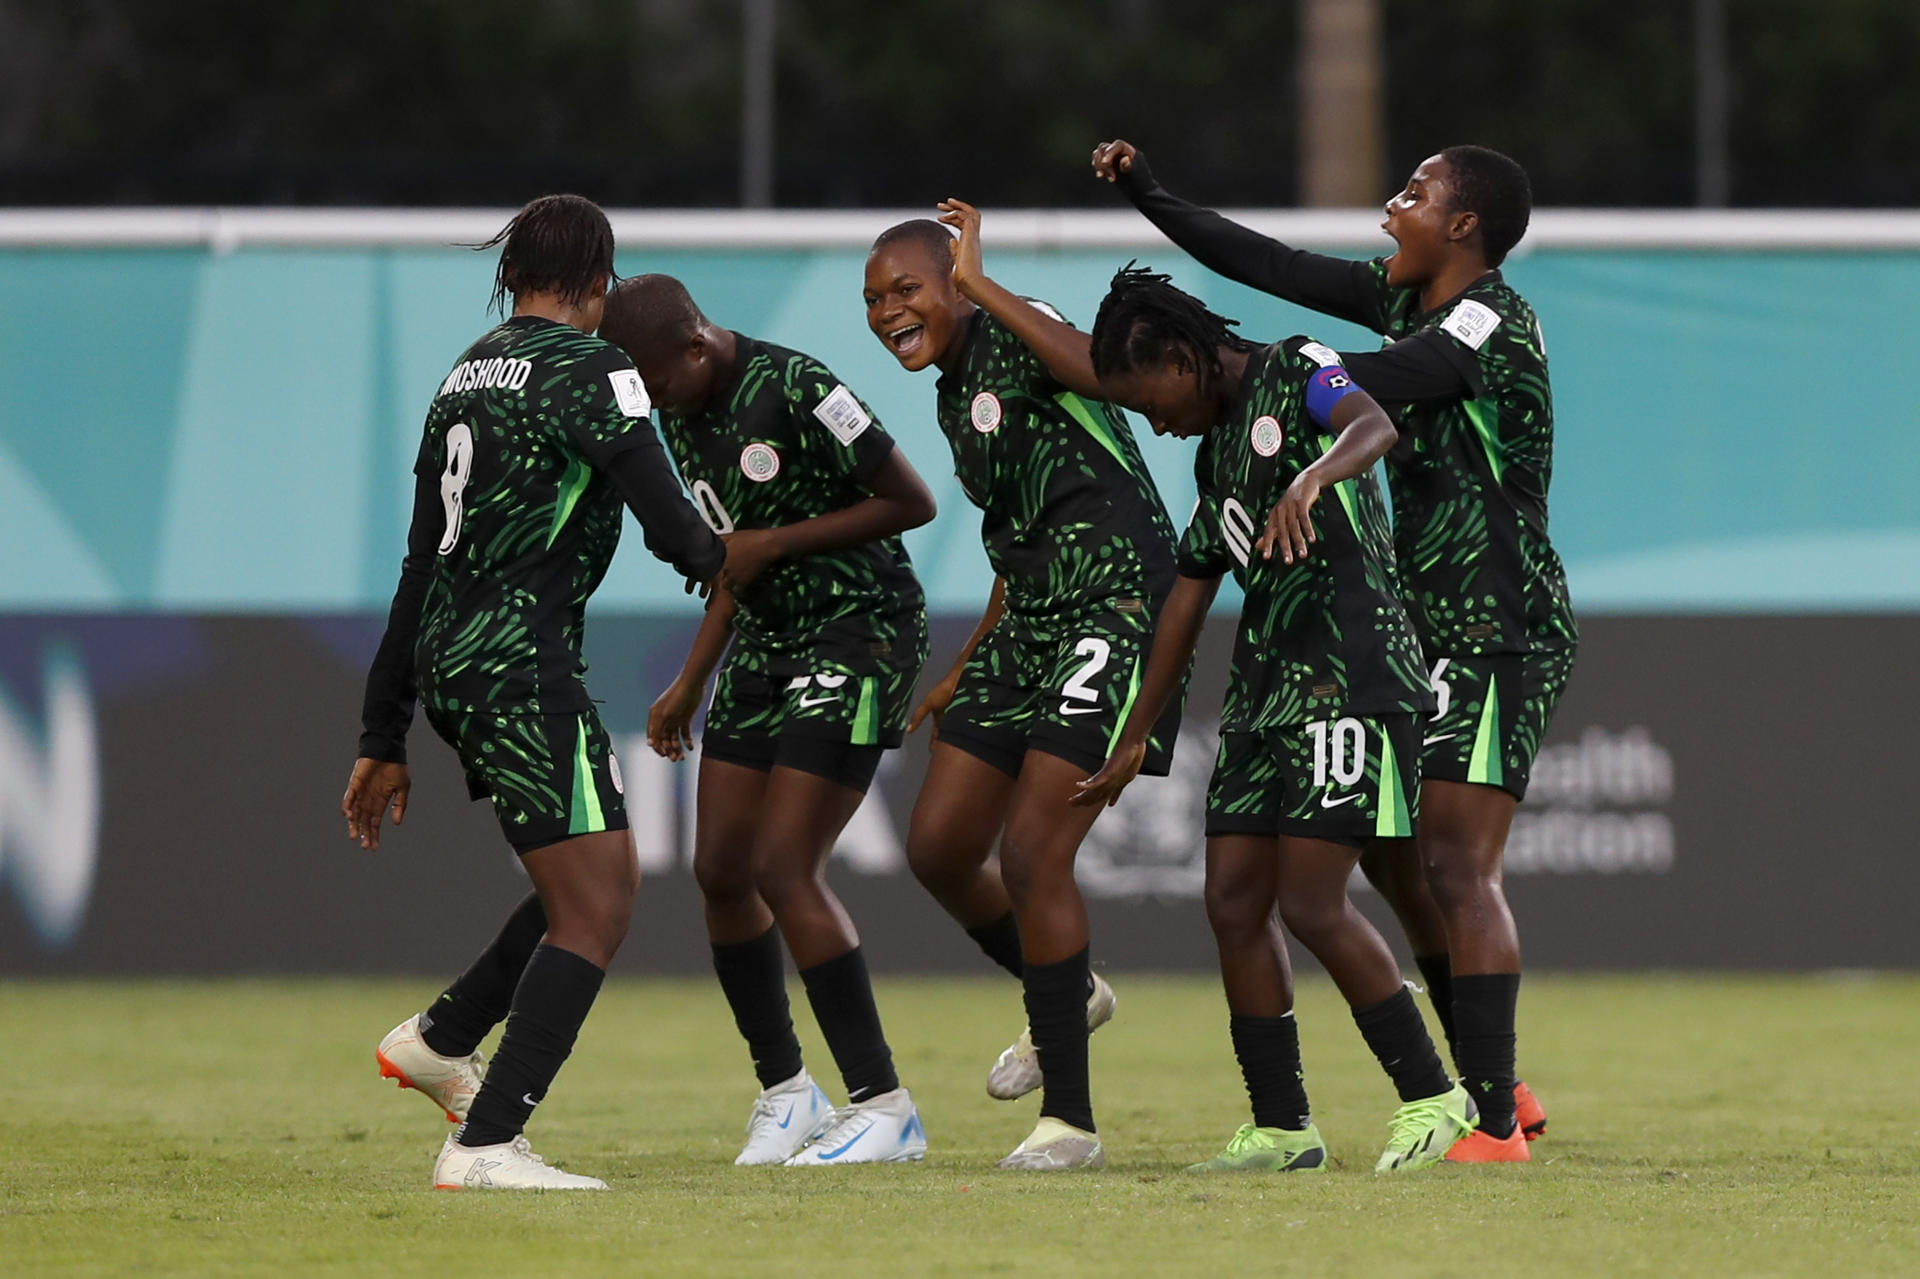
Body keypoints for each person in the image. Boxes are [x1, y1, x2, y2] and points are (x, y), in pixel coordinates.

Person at [1093, 139, 1576, 1160]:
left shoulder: (1490, 314)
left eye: (1411, 194)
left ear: (1463, 228)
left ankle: (1489, 1118)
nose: (1387, 208)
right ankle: (1497, 1087)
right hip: (1423, 620)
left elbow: (1410, 376)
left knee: (1454, 864)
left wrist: (1273, 378)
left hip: (1501, 619)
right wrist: (1150, 195)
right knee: (1403, 867)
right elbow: (1265, 263)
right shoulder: (1402, 299)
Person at [344, 195, 725, 1190]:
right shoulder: (599, 367)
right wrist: (740, 561)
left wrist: (383, 729)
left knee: (589, 887)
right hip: (520, 659)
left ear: (512, 274)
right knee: (599, 905)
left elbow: (419, 562)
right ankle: (483, 1146)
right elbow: (672, 524)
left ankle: (443, 1039)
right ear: (600, 283)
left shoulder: (461, 377)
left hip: (456, 659)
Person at [1072, 266, 1476, 1172]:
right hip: (1266, 691)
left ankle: (1433, 1095)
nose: (1156, 423)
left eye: (1152, 402)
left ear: (1183, 357)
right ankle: (1284, 1126)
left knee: (1311, 902)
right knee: (1232, 900)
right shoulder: (1216, 453)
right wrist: (1139, 724)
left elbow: (1375, 423)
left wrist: (1312, 476)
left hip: (1354, 678)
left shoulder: (1297, 365)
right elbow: (1186, 594)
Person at [862, 204, 1185, 1170]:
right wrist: (969, 657)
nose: (889, 312)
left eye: (908, 288)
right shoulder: (953, 395)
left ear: (954, 282)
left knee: (1036, 848)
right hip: (1034, 616)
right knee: (939, 845)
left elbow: (1107, 375)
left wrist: (982, 286)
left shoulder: (1014, 323)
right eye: (874, 300)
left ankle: (1071, 1124)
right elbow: (1018, 531)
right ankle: (1069, 987)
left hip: (1118, 604)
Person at [597, 274, 937, 1167]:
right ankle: (787, 1090)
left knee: (785, 866)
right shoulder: (674, 409)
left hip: (860, 632)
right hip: (766, 638)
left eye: (657, 380)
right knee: (720, 869)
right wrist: (687, 680)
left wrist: (775, 543)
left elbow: (912, 502)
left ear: (697, 345)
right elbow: (734, 562)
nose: (654, 399)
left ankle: (885, 1105)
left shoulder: (800, 387)